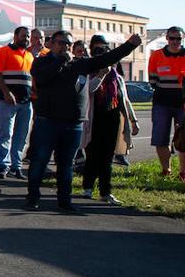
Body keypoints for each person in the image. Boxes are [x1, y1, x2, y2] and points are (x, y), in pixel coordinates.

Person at [25, 30, 141, 213]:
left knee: (66, 165)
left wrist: (130, 45)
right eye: (61, 43)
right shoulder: (41, 62)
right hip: (48, 122)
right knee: (39, 161)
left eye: (68, 44)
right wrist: (62, 60)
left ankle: (65, 202)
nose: (66, 47)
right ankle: (32, 198)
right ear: (52, 44)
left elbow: (107, 59)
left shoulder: (80, 64)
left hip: (73, 124)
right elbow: (42, 77)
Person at [80, 35, 139, 204]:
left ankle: (106, 192)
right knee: (92, 155)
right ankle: (87, 188)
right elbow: (88, 91)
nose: (100, 53)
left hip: (111, 118)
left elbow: (124, 100)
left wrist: (133, 121)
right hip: (93, 118)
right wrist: (100, 74)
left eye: (104, 50)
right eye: (96, 49)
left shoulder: (117, 76)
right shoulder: (87, 71)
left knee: (107, 157)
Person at [0, 26, 34, 179]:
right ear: (15, 36)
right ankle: (2, 165)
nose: (26, 39)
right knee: (6, 133)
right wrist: (6, 92)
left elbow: (30, 79)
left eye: (28, 36)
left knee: (21, 135)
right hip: (6, 101)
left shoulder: (29, 56)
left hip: (26, 102)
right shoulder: (3, 52)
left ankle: (16, 166)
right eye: (23, 36)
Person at [147, 26, 185, 179]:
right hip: (161, 102)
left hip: (183, 103)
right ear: (167, 38)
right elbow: (152, 81)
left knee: (184, 138)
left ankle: (183, 172)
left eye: (178, 39)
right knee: (160, 137)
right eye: (172, 38)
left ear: (182, 39)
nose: (175, 41)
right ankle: (166, 170)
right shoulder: (156, 55)